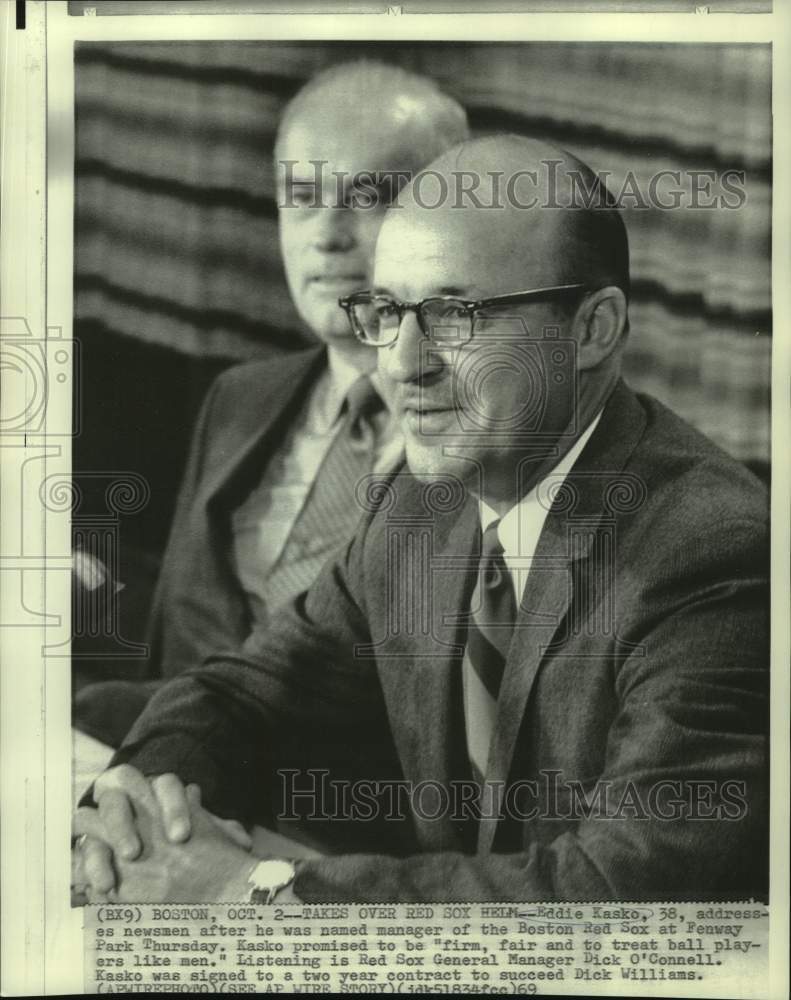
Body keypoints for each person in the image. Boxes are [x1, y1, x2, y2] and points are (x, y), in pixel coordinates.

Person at [74, 135, 769, 904]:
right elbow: (250, 690)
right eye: (385, 311)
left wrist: (251, 891)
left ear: (591, 330)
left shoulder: (715, 553)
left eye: (452, 313)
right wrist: (138, 806)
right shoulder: (418, 500)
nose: (400, 363)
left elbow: (617, 887)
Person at [72, 60, 469, 746]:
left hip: (338, 824)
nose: (325, 235)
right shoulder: (240, 398)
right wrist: (83, 595)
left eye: (368, 196)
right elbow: (187, 639)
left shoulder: (488, 435)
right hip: (167, 776)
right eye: (302, 197)